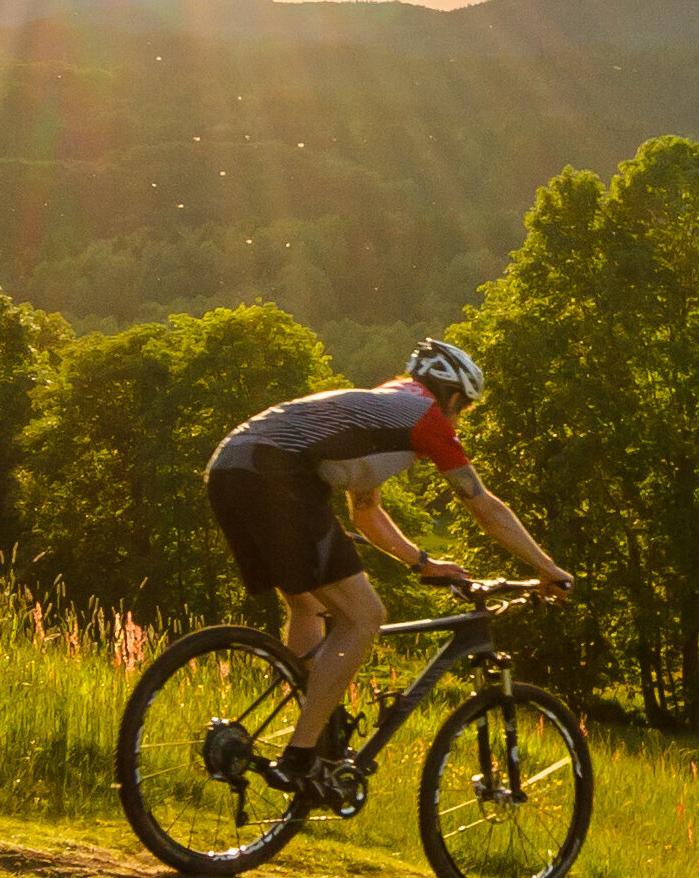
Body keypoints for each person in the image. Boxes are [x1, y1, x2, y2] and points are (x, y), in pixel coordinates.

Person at [203, 339, 571, 791]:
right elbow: (484, 508)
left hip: (228, 468)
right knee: (366, 616)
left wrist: (422, 561)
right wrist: (547, 567)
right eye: (464, 410)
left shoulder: (383, 408)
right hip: (273, 473)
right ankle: (300, 758)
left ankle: (310, 731)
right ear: (452, 396)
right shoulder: (428, 420)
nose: (459, 421)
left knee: (307, 605)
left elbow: (366, 512)